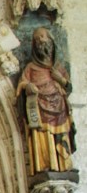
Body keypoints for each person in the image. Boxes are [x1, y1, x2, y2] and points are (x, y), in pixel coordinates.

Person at [16, 27, 75, 175]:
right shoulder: (31, 68)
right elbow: (21, 85)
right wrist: (28, 86)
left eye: (43, 36)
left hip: (59, 108)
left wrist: (60, 79)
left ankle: (63, 164)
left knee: (61, 136)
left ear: (51, 40)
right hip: (40, 110)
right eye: (37, 39)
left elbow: (68, 87)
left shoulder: (58, 68)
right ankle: (46, 165)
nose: (41, 40)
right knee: (43, 136)